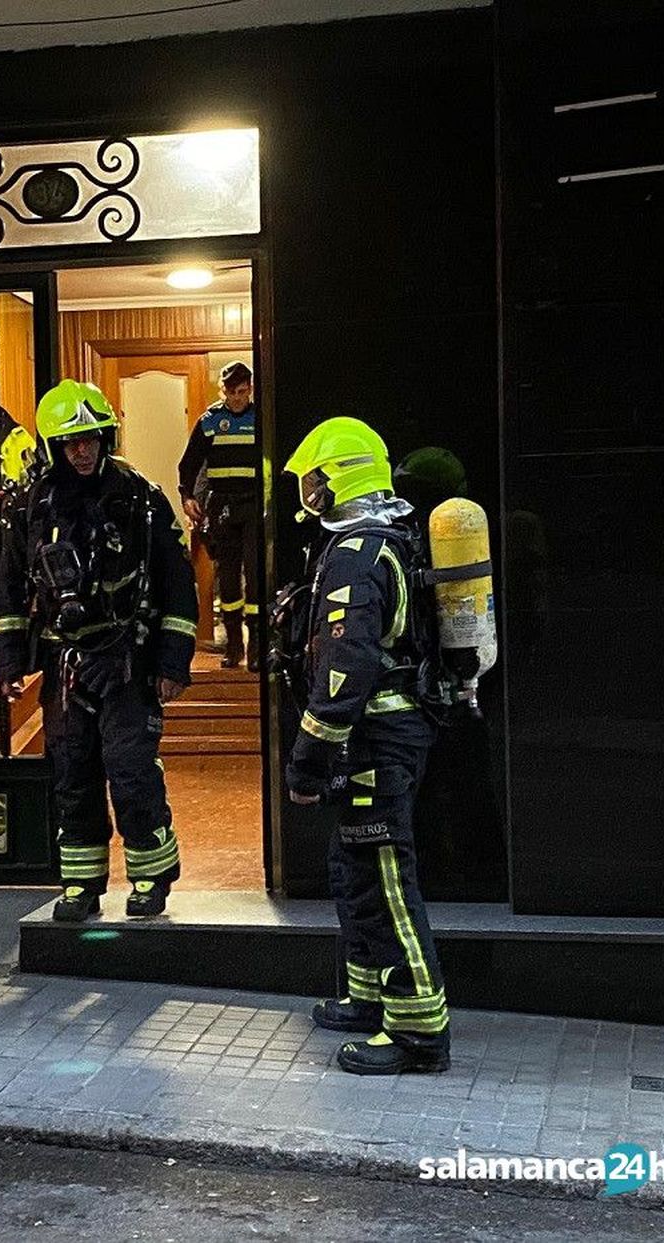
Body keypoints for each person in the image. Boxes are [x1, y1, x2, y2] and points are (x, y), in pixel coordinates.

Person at [0, 379, 198, 921]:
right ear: (54, 446)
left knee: (131, 770)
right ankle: (81, 885)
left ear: (105, 438)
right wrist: (8, 660)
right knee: (73, 773)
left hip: (130, 658)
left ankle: (151, 877)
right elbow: (7, 584)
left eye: (91, 439)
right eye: (71, 442)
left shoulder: (142, 499)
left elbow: (177, 583)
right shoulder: (32, 506)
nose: (83, 451)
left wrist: (173, 663)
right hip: (66, 664)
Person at [280, 416, 450, 1075]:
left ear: (340, 476)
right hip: (388, 732)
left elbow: (343, 672)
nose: (310, 490)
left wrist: (307, 761)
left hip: (375, 737)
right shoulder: (389, 537)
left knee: (385, 881)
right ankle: (367, 995)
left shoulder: (356, 552)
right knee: (353, 871)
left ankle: (416, 1031)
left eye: (315, 478)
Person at [177, 361, 260, 670]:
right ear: (222, 390)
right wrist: (186, 497)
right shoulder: (211, 420)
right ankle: (234, 647)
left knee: (254, 576)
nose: (236, 398)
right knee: (227, 579)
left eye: (241, 392)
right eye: (230, 392)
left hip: (252, 504)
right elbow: (188, 465)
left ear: (250, 389)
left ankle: (256, 649)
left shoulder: (259, 417)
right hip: (222, 506)